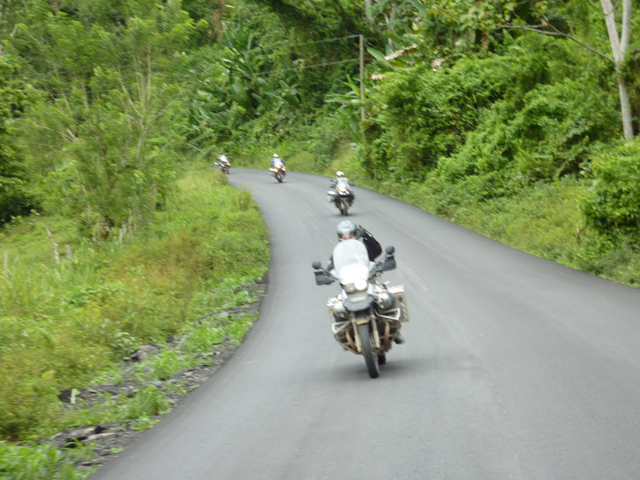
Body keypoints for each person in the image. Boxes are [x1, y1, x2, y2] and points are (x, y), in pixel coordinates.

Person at [327, 220, 404, 344]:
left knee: (387, 297)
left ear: (356, 234)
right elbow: (330, 268)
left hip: (369, 282)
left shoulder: (363, 248)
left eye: (350, 234)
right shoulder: (338, 253)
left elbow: (377, 250)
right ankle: (342, 334)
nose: (347, 237)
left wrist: (367, 236)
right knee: (336, 308)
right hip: (348, 288)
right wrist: (328, 275)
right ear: (339, 236)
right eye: (344, 235)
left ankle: (396, 330)